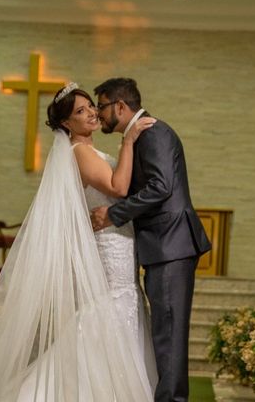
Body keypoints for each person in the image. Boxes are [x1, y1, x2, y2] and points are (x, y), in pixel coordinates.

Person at [0, 83, 156, 402]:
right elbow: (118, 187)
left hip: (118, 241)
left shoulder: (88, 152)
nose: (92, 113)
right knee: (109, 314)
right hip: (109, 246)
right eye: (80, 111)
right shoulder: (80, 152)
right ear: (67, 123)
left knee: (118, 314)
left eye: (90, 106)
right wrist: (130, 138)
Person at [90, 77, 212, 402]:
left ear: (119, 105)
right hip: (163, 245)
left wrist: (114, 215)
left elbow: (161, 187)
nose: (98, 114)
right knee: (164, 333)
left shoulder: (153, 132)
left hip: (171, 244)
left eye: (101, 106)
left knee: (169, 334)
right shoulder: (138, 136)